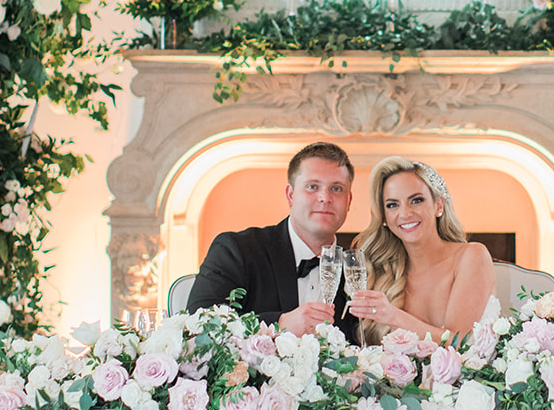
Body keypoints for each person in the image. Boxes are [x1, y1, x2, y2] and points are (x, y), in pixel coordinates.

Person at [186, 142, 357, 336]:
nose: (325, 197)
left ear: (349, 201)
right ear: (290, 195)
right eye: (312, 186)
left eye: (336, 189)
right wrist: (279, 323)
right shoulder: (237, 250)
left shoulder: (357, 271)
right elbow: (199, 321)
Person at [348, 156, 496, 343]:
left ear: (438, 205)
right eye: (392, 205)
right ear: (384, 216)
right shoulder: (382, 272)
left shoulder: (472, 256)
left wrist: (393, 316)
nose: (405, 214)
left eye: (416, 200)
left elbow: (461, 343)